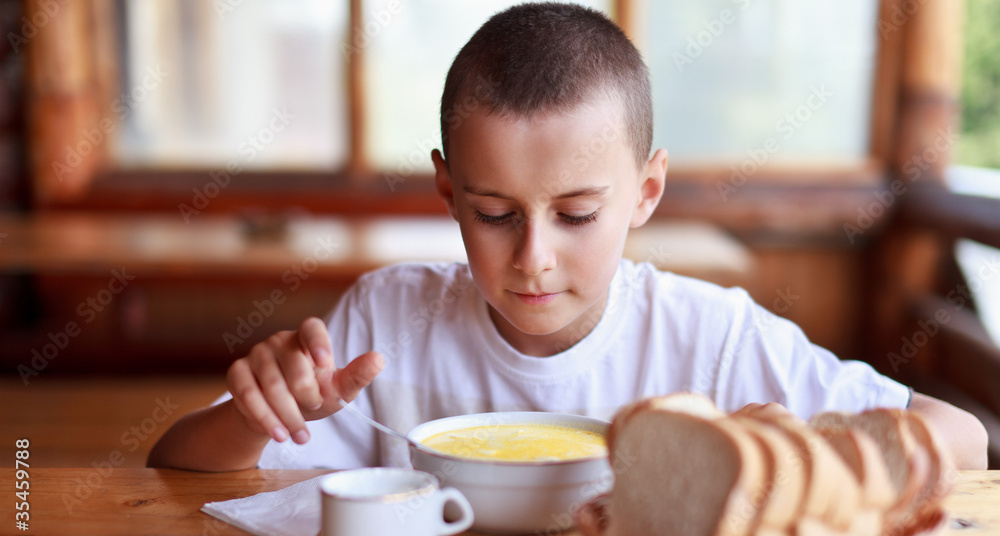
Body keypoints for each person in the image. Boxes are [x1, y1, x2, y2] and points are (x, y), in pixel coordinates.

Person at [147, 3, 987, 472]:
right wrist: (258, 417)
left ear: (646, 191)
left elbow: (963, 437)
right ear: (448, 190)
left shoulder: (711, 338)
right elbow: (175, 467)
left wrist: (810, 449)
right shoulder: (389, 320)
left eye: (578, 214)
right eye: (493, 212)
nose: (534, 256)